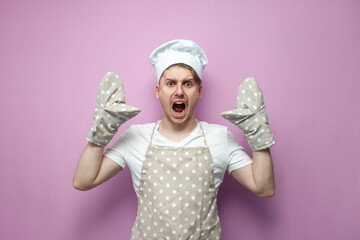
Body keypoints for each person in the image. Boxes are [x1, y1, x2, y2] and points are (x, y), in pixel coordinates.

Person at [73, 39, 275, 240]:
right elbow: (84, 180)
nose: (179, 91)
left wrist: (257, 135)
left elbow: (264, 187)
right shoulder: (136, 137)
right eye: (170, 83)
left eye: (188, 83)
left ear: (199, 91)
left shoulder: (220, 137)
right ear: (158, 91)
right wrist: (101, 133)